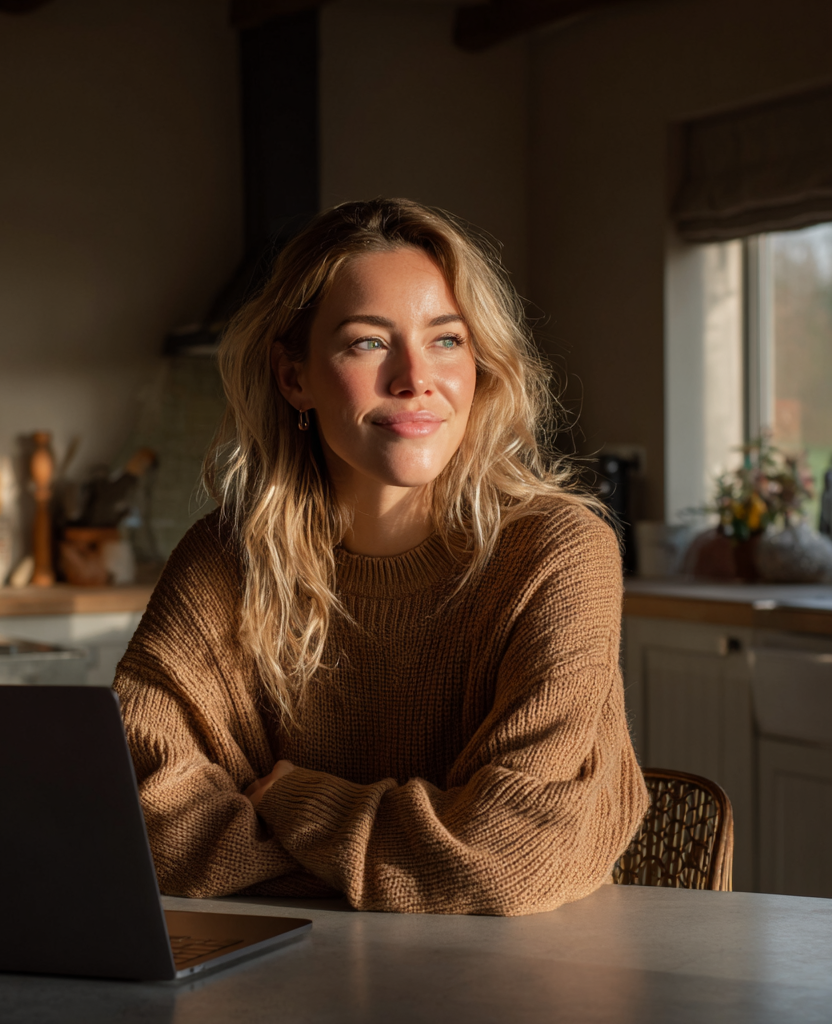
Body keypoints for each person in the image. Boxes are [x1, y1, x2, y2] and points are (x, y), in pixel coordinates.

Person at [114, 198, 648, 916]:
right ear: (294, 377)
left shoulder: (556, 553)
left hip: (520, 968)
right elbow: (143, 822)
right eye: (367, 343)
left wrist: (292, 800)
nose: (414, 378)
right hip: (284, 966)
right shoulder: (226, 559)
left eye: (446, 340)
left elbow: (506, 854)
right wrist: (423, 862)